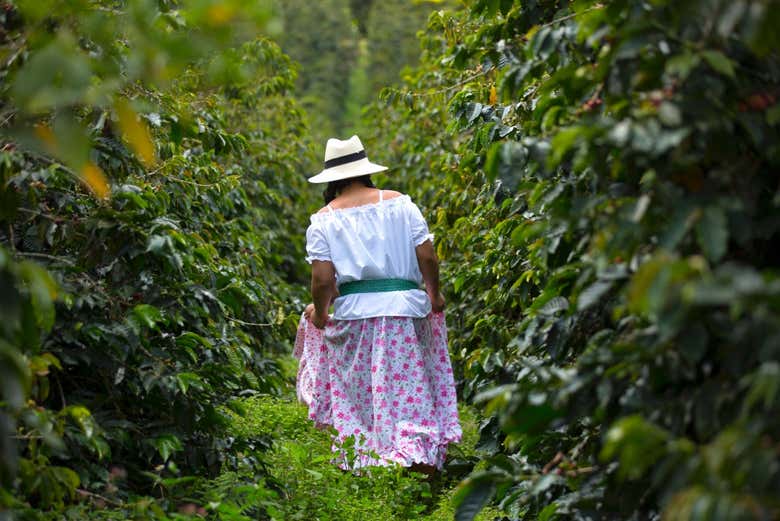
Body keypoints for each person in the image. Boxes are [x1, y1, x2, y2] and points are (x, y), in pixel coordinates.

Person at [293, 135, 461, 474]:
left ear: (332, 179)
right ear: (365, 171)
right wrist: (434, 294)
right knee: (409, 392)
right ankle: (419, 466)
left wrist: (322, 313)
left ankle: (365, 463)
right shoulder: (400, 204)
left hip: (355, 318)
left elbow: (323, 280)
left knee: (362, 399)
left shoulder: (324, 219)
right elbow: (426, 255)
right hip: (403, 313)